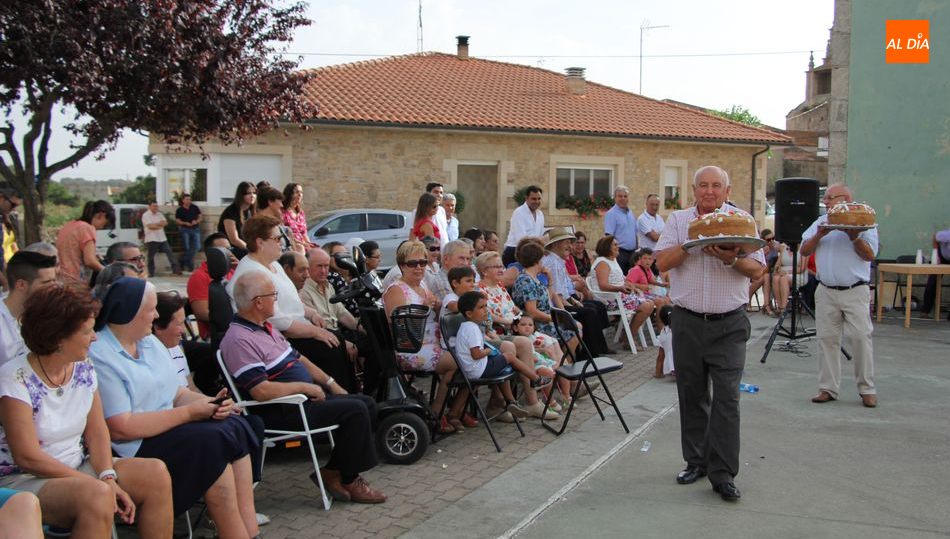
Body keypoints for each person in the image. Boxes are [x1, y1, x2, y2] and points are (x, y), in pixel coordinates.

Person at [89, 278, 262, 536]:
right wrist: (190, 413)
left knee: (234, 424)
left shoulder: (148, 343)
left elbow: (177, 392)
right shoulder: (101, 354)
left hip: (170, 429)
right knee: (212, 441)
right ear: (131, 313)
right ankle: (235, 532)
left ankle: (246, 528)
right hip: (135, 444)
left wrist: (210, 404)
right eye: (151, 309)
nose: (156, 315)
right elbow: (120, 427)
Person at [0, 284, 174, 537]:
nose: (94, 337)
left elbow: (97, 431)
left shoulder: (82, 366)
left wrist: (107, 476)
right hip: (24, 478)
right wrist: (97, 483)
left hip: (76, 465)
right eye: (87, 331)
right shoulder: (14, 380)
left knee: (155, 473)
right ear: (59, 339)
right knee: (96, 495)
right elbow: (28, 457)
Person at [220, 271, 386, 504]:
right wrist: (306, 388)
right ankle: (348, 478)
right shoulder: (239, 339)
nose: (276, 300)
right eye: (273, 295)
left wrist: (332, 384)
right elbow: (261, 391)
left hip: (302, 401)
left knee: (365, 403)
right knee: (356, 410)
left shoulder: (265, 327)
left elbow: (298, 359)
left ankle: (333, 471)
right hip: (281, 409)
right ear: (258, 302)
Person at [655, 165, 766, 502]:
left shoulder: (741, 220)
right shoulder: (678, 221)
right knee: (692, 395)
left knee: (727, 399)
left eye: (716, 185)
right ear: (694, 189)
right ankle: (696, 461)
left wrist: (732, 259)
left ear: (727, 191)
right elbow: (661, 263)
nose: (709, 191)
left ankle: (723, 475)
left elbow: (759, 268)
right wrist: (692, 244)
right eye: (703, 185)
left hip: (729, 324)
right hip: (687, 320)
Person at [228, 215, 357, 393]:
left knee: (338, 340)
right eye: (277, 238)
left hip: (295, 329)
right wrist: (316, 331)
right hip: (275, 339)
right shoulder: (252, 272)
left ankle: (352, 394)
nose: (282, 242)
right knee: (332, 345)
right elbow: (277, 320)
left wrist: (311, 314)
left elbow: (291, 301)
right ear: (260, 242)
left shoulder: (273, 265)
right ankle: (340, 398)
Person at [800, 184, 879, 408]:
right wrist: (819, 235)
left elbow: (870, 255)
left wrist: (854, 238)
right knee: (826, 340)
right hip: (826, 290)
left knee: (861, 338)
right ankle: (827, 388)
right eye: (825, 199)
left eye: (829, 198)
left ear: (846, 199)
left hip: (855, 290)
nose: (825, 202)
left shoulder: (864, 220)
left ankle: (867, 389)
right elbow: (804, 250)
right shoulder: (820, 221)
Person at [382, 240, 459, 432]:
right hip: (410, 348)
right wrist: (424, 308)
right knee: (457, 362)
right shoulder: (397, 290)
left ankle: (452, 411)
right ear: (401, 266)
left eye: (423, 263)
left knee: (466, 354)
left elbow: (436, 308)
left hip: (432, 342)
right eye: (412, 264)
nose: (418, 268)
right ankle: (437, 412)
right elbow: (400, 328)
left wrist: (438, 305)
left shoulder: (422, 285)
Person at [542, 228, 612, 356]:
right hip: (556, 307)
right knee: (589, 311)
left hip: (563, 301)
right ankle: (589, 354)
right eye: (567, 242)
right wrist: (568, 308)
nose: (570, 246)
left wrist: (573, 300)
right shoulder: (553, 262)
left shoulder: (558, 261)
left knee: (595, 306)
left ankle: (599, 348)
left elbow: (562, 289)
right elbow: (556, 294)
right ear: (557, 244)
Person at [511, 240, 580, 354]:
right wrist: (554, 319)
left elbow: (546, 299)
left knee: (575, 329)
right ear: (537, 260)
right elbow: (532, 311)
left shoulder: (534, 278)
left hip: (545, 320)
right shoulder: (526, 281)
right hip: (536, 324)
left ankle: (567, 364)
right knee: (573, 335)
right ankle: (565, 366)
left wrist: (550, 281)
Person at [589, 235, 656, 350]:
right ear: (607, 247)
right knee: (646, 306)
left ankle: (627, 335)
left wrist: (630, 285)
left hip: (619, 297)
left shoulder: (613, 260)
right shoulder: (602, 263)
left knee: (649, 304)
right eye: (615, 244)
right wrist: (620, 288)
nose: (618, 247)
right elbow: (603, 285)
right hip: (609, 300)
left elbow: (621, 278)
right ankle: (628, 338)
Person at [1, 251, 58, 366]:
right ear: (21, 285)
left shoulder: (45, 313)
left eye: (54, 280)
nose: (55, 287)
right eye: (47, 282)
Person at [187, 233, 238, 340]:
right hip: (217, 334)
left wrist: (240, 268)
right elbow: (202, 313)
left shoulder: (233, 271)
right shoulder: (199, 276)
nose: (228, 253)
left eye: (230, 249)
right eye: (223, 250)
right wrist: (237, 321)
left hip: (237, 328)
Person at [56, 200, 114, 285]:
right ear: (101, 215)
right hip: (75, 281)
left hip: (61, 279)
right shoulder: (87, 228)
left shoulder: (70, 225)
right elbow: (90, 261)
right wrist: (110, 273)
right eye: (104, 225)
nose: (101, 228)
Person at [503, 185, 544, 267]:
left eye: (539, 199)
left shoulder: (540, 214)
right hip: (515, 251)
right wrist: (541, 240)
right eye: (533, 199)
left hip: (532, 252)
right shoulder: (519, 212)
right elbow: (521, 239)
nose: (536, 201)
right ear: (526, 198)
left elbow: (540, 235)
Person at [603, 186, 638, 274]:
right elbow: (609, 236)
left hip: (632, 254)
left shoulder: (630, 213)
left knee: (631, 280)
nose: (623, 198)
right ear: (615, 198)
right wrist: (613, 253)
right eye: (620, 196)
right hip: (619, 253)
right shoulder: (611, 214)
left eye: (625, 196)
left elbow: (634, 233)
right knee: (620, 281)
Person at [217, 182, 257, 258]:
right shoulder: (231, 212)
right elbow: (234, 240)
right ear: (241, 195)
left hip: (245, 247)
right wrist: (252, 250)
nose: (252, 196)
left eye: (254, 193)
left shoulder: (251, 211)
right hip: (231, 249)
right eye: (248, 193)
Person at [141, 201, 182, 277]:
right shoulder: (146, 215)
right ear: (149, 207)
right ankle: (151, 272)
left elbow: (165, 223)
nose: (156, 208)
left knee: (170, 253)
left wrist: (157, 225)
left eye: (157, 206)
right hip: (151, 238)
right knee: (151, 257)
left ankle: (176, 270)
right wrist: (159, 225)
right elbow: (150, 226)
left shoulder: (159, 214)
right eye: (154, 206)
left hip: (162, 238)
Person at [257, 187, 301, 254]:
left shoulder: (275, 223)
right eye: (280, 201)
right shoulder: (261, 225)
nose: (282, 205)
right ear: (270, 202)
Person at [919, 227, 950, 316]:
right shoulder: (946, 235)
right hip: (943, 258)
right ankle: (926, 310)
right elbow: (935, 237)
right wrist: (936, 255)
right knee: (932, 282)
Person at [771, 240, 807, 314]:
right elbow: (778, 264)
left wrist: (787, 272)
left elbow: (802, 268)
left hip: (798, 274)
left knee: (784, 279)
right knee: (775, 278)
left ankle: (784, 308)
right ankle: (780, 306)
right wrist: (777, 269)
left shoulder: (803, 248)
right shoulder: (784, 248)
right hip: (782, 273)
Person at [748, 229, 777, 315]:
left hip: (771, 273)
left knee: (766, 277)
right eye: (768, 240)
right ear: (763, 240)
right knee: (765, 277)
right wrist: (763, 254)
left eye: (773, 238)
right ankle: (766, 305)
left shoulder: (777, 248)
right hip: (760, 273)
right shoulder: (759, 249)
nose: (771, 241)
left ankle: (749, 301)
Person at [281, 183, 315, 251]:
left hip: (302, 245)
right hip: (290, 245)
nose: (300, 195)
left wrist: (309, 245)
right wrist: (303, 244)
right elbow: (284, 234)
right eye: (296, 192)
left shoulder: (301, 213)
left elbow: (304, 234)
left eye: (301, 192)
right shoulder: (282, 212)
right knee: (300, 248)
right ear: (289, 194)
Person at [174, 193, 202, 272]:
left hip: (195, 229)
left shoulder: (195, 207)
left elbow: (200, 217)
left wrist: (196, 221)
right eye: (187, 199)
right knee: (187, 248)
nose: (189, 201)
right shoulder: (179, 210)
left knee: (197, 247)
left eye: (189, 199)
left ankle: (182, 261)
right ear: (183, 200)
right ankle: (190, 266)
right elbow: (177, 221)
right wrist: (185, 223)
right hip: (185, 230)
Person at [426, 183, 450, 248]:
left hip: (444, 249)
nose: (439, 195)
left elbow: (444, 232)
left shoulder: (442, 210)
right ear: (428, 193)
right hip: (431, 250)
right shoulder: (419, 211)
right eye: (436, 192)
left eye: (441, 192)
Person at [0, 188, 20, 266]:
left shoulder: (8, 220)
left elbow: (13, 245)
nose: (14, 209)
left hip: (11, 265)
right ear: (1, 198)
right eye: (13, 205)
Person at [654, 305, 675, 378]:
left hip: (670, 368)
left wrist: (657, 373)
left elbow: (660, 356)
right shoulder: (681, 329)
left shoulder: (663, 333)